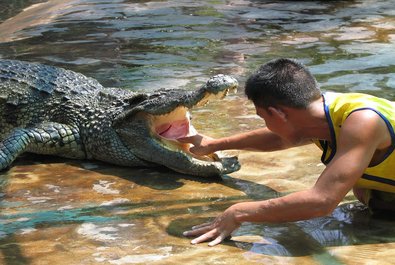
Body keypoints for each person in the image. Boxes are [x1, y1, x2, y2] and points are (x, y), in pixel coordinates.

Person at [179, 58, 395, 247]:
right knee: (363, 191)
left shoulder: (362, 121)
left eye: (263, 117)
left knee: (354, 189)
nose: (266, 124)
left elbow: (322, 201)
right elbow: (279, 137)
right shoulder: (322, 112)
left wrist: (239, 213)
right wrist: (216, 144)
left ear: (277, 113)